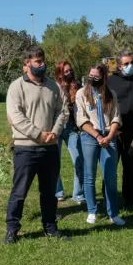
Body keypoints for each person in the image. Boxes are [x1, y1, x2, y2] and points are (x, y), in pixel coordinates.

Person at [4, 46, 69, 244]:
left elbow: (62, 112)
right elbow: (15, 117)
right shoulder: (16, 87)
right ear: (27, 64)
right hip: (26, 148)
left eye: (42, 60)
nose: (42, 65)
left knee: (49, 192)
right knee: (19, 192)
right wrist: (38, 134)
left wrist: (55, 132)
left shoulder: (53, 86)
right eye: (37, 62)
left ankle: (50, 227)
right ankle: (12, 229)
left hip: (49, 148)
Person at [76, 63, 126, 226]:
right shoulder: (81, 94)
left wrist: (109, 136)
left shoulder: (111, 94)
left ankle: (113, 213)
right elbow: (81, 119)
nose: (92, 78)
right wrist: (97, 136)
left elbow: (116, 117)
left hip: (108, 137)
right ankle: (92, 210)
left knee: (110, 177)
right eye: (90, 75)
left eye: (96, 76)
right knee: (89, 176)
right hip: (90, 137)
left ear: (103, 77)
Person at [107, 50, 133, 209]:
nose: (130, 66)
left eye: (132, 62)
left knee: (130, 168)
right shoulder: (111, 81)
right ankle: (109, 199)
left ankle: (130, 198)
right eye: (126, 64)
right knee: (110, 167)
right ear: (119, 66)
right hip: (114, 131)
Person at [54, 61, 86, 204]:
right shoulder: (53, 88)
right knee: (54, 162)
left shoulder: (78, 86)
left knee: (79, 160)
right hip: (55, 128)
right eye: (66, 71)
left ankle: (78, 194)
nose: (69, 73)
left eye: (70, 70)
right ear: (60, 73)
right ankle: (57, 192)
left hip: (71, 128)